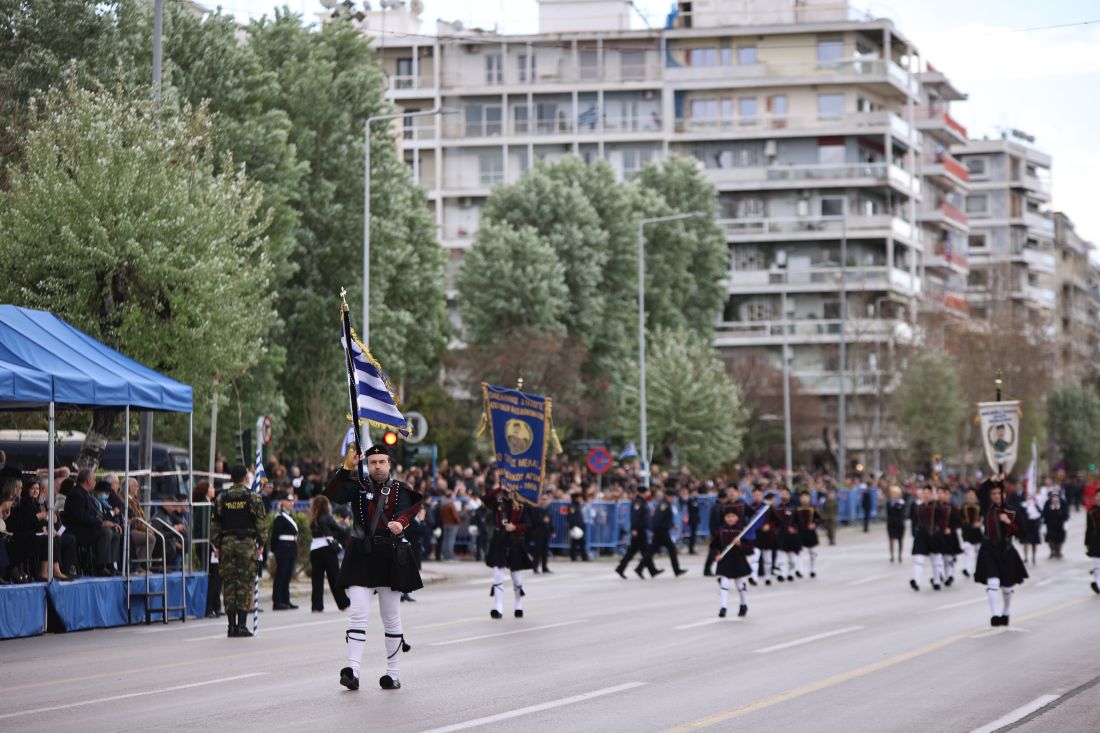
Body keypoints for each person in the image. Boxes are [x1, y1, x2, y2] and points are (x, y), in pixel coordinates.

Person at [324, 445, 423, 691]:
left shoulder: (400, 489)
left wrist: (401, 523)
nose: (377, 466)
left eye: (381, 461)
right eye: (372, 462)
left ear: (389, 464)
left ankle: (393, 673)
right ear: (367, 465)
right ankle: (353, 670)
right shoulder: (358, 486)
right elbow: (333, 494)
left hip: (389, 554)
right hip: (361, 554)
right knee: (357, 612)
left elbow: (412, 508)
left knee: (390, 617)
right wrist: (346, 467)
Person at [211, 465, 266, 638]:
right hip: (246, 544)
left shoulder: (222, 498)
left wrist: (218, 544)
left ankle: (231, 626)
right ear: (245, 478)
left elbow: (215, 525)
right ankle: (241, 625)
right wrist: (262, 544)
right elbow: (262, 525)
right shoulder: (253, 498)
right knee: (244, 584)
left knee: (228, 584)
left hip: (227, 544)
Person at [974, 481, 1028, 626]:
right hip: (989, 549)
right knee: (993, 582)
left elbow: (1022, 532)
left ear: (1004, 495)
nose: (997, 496)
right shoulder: (987, 508)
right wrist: (992, 479)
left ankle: (1006, 611)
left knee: (1007, 587)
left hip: (1006, 550)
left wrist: (1009, 522)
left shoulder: (1012, 511)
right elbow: (979, 491)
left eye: (999, 493)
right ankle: (995, 615)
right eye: (994, 494)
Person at [484, 482, 534, 619]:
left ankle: (519, 605)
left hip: (515, 541)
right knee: (498, 574)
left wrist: (516, 527)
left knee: (516, 577)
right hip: (500, 540)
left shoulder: (522, 504)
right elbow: (486, 499)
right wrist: (500, 488)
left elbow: (529, 525)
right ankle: (498, 608)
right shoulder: (498, 500)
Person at [61, 468, 122, 576]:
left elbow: (95, 514)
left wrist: (109, 522)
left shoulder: (87, 494)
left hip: (88, 527)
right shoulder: (76, 494)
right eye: (94, 479)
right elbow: (81, 516)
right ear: (88, 481)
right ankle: (101, 566)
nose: (95, 482)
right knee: (105, 532)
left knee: (115, 533)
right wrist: (101, 524)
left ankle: (111, 565)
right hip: (78, 530)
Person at [309, 495, 350, 613]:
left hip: (314, 550)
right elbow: (341, 531)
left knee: (317, 580)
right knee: (335, 577)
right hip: (327, 550)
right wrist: (346, 524)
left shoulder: (313, 520)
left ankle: (316, 606)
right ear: (326, 506)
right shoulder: (327, 517)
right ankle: (343, 603)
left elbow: (326, 530)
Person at [615, 487, 662, 579]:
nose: (648, 493)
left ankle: (622, 568)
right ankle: (646, 570)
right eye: (646, 492)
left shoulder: (643, 501)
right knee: (644, 551)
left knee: (635, 551)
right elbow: (635, 517)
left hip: (642, 529)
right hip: (639, 530)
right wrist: (634, 529)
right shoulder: (638, 502)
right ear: (642, 493)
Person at [714, 506, 752, 618]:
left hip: (738, 559)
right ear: (725, 518)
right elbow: (714, 546)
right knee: (724, 582)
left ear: (737, 518)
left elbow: (749, 549)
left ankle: (743, 604)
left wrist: (740, 544)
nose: (730, 518)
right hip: (725, 559)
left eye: (733, 516)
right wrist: (716, 555)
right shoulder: (720, 531)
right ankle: (723, 607)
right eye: (728, 516)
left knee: (739, 583)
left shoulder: (742, 532)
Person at [648, 488, 687, 577]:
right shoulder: (664, 504)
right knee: (671, 549)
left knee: (652, 551)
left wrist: (672, 525)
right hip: (661, 531)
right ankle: (676, 570)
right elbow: (658, 518)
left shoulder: (667, 504)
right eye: (673, 497)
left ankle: (639, 567)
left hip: (662, 530)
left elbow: (665, 518)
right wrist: (654, 530)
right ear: (669, 496)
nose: (673, 499)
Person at [270, 493, 299, 610]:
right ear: (282, 502)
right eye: (288, 500)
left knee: (287, 576)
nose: (291, 503)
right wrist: (273, 550)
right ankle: (277, 602)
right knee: (280, 576)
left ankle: (285, 600)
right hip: (283, 549)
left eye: (292, 501)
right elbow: (275, 535)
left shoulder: (290, 516)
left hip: (291, 548)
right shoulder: (280, 517)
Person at [796, 491, 824, 578]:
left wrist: (814, 524)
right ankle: (800, 570)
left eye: (806, 497)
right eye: (802, 497)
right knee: (799, 552)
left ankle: (812, 570)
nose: (804, 499)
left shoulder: (813, 508)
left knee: (812, 552)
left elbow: (821, 519)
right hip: (800, 532)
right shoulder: (797, 509)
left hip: (810, 532)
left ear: (809, 498)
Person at [960, 489, 983, 577]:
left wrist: (980, 523)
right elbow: (960, 518)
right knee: (967, 549)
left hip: (977, 531)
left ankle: (977, 569)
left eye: (972, 494)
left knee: (977, 551)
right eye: (969, 494)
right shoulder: (963, 506)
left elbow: (983, 517)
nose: (970, 496)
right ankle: (966, 568)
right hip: (967, 531)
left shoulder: (979, 506)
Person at [530, 493, 553, 574]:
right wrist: (543, 520)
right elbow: (534, 520)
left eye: (545, 499)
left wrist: (552, 531)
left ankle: (544, 567)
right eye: (543, 499)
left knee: (545, 551)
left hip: (546, 532)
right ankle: (535, 567)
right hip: (538, 532)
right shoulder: (536, 508)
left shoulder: (547, 509)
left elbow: (550, 520)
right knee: (537, 551)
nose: (544, 501)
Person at [1042, 492, 1068, 559]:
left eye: (1056, 500)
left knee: (1059, 540)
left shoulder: (1062, 506)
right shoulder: (1048, 506)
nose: (1055, 502)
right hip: (1050, 526)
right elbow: (1045, 515)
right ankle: (1052, 551)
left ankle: (1058, 552)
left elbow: (1066, 516)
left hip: (1060, 526)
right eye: (1054, 500)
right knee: (1051, 539)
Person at [885, 486, 907, 563]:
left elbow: (902, 513)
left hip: (899, 524)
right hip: (891, 524)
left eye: (895, 493)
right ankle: (892, 555)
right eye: (892, 493)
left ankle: (900, 555)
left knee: (900, 540)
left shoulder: (901, 502)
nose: (893, 495)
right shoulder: (889, 502)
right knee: (891, 539)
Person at [567, 493, 588, 562]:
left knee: (582, 543)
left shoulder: (579, 505)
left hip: (580, 526)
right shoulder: (572, 506)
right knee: (574, 543)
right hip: (575, 527)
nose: (580, 499)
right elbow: (571, 517)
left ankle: (584, 556)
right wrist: (573, 526)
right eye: (578, 498)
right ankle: (574, 557)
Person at [1086, 499, 1100, 594]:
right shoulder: (1091, 512)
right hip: (1096, 539)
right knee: (1097, 565)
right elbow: (1089, 528)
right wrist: (1087, 542)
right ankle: (1098, 584)